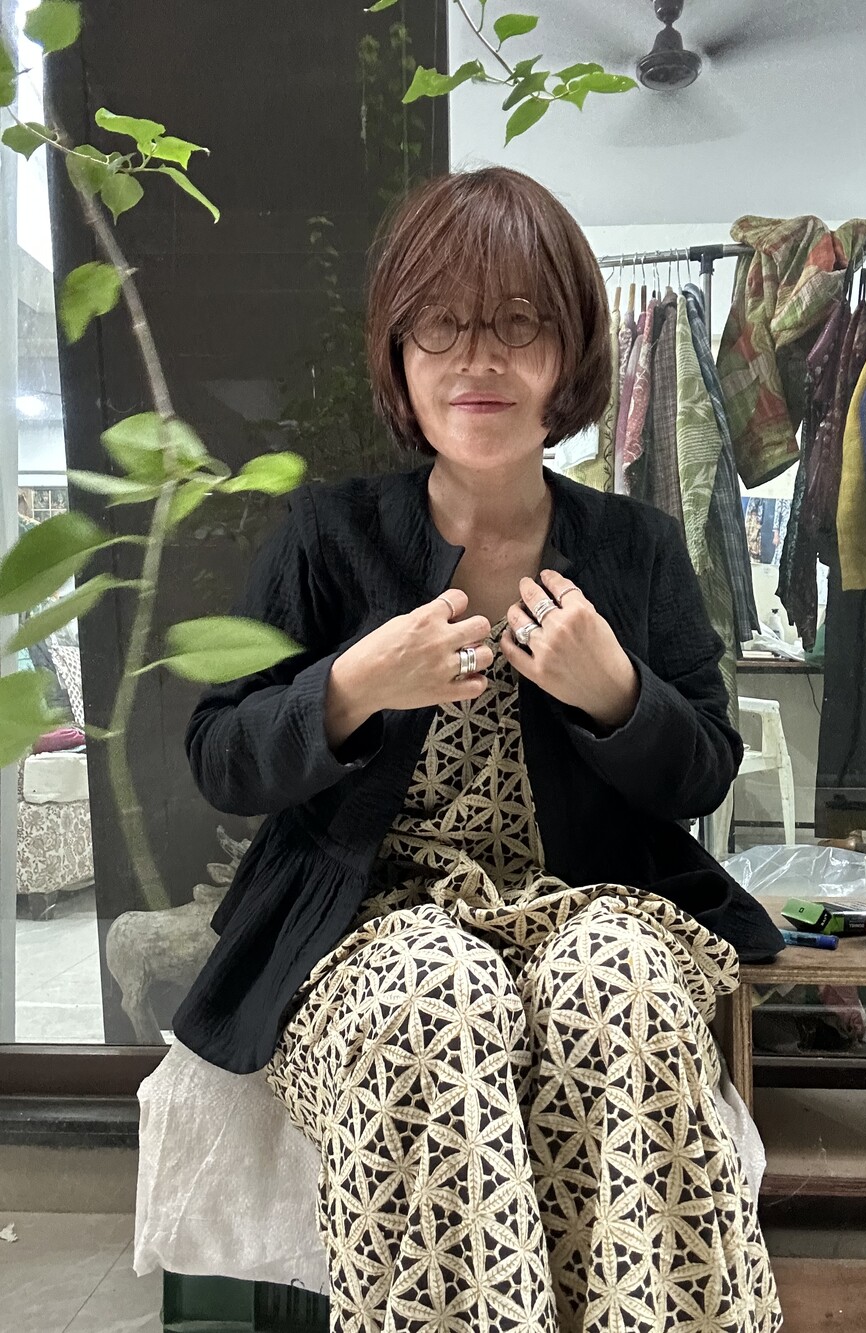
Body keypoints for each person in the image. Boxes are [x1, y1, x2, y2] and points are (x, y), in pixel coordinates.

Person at [173, 166, 783, 1333]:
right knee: (433, 998)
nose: (477, 359)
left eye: (517, 323)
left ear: (570, 352)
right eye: (440, 325)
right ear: (399, 354)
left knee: (624, 983)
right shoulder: (326, 536)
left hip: (590, 900)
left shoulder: (638, 547)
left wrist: (617, 694)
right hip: (372, 922)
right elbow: (220, 755)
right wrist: (350, 688)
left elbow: (703, 768)